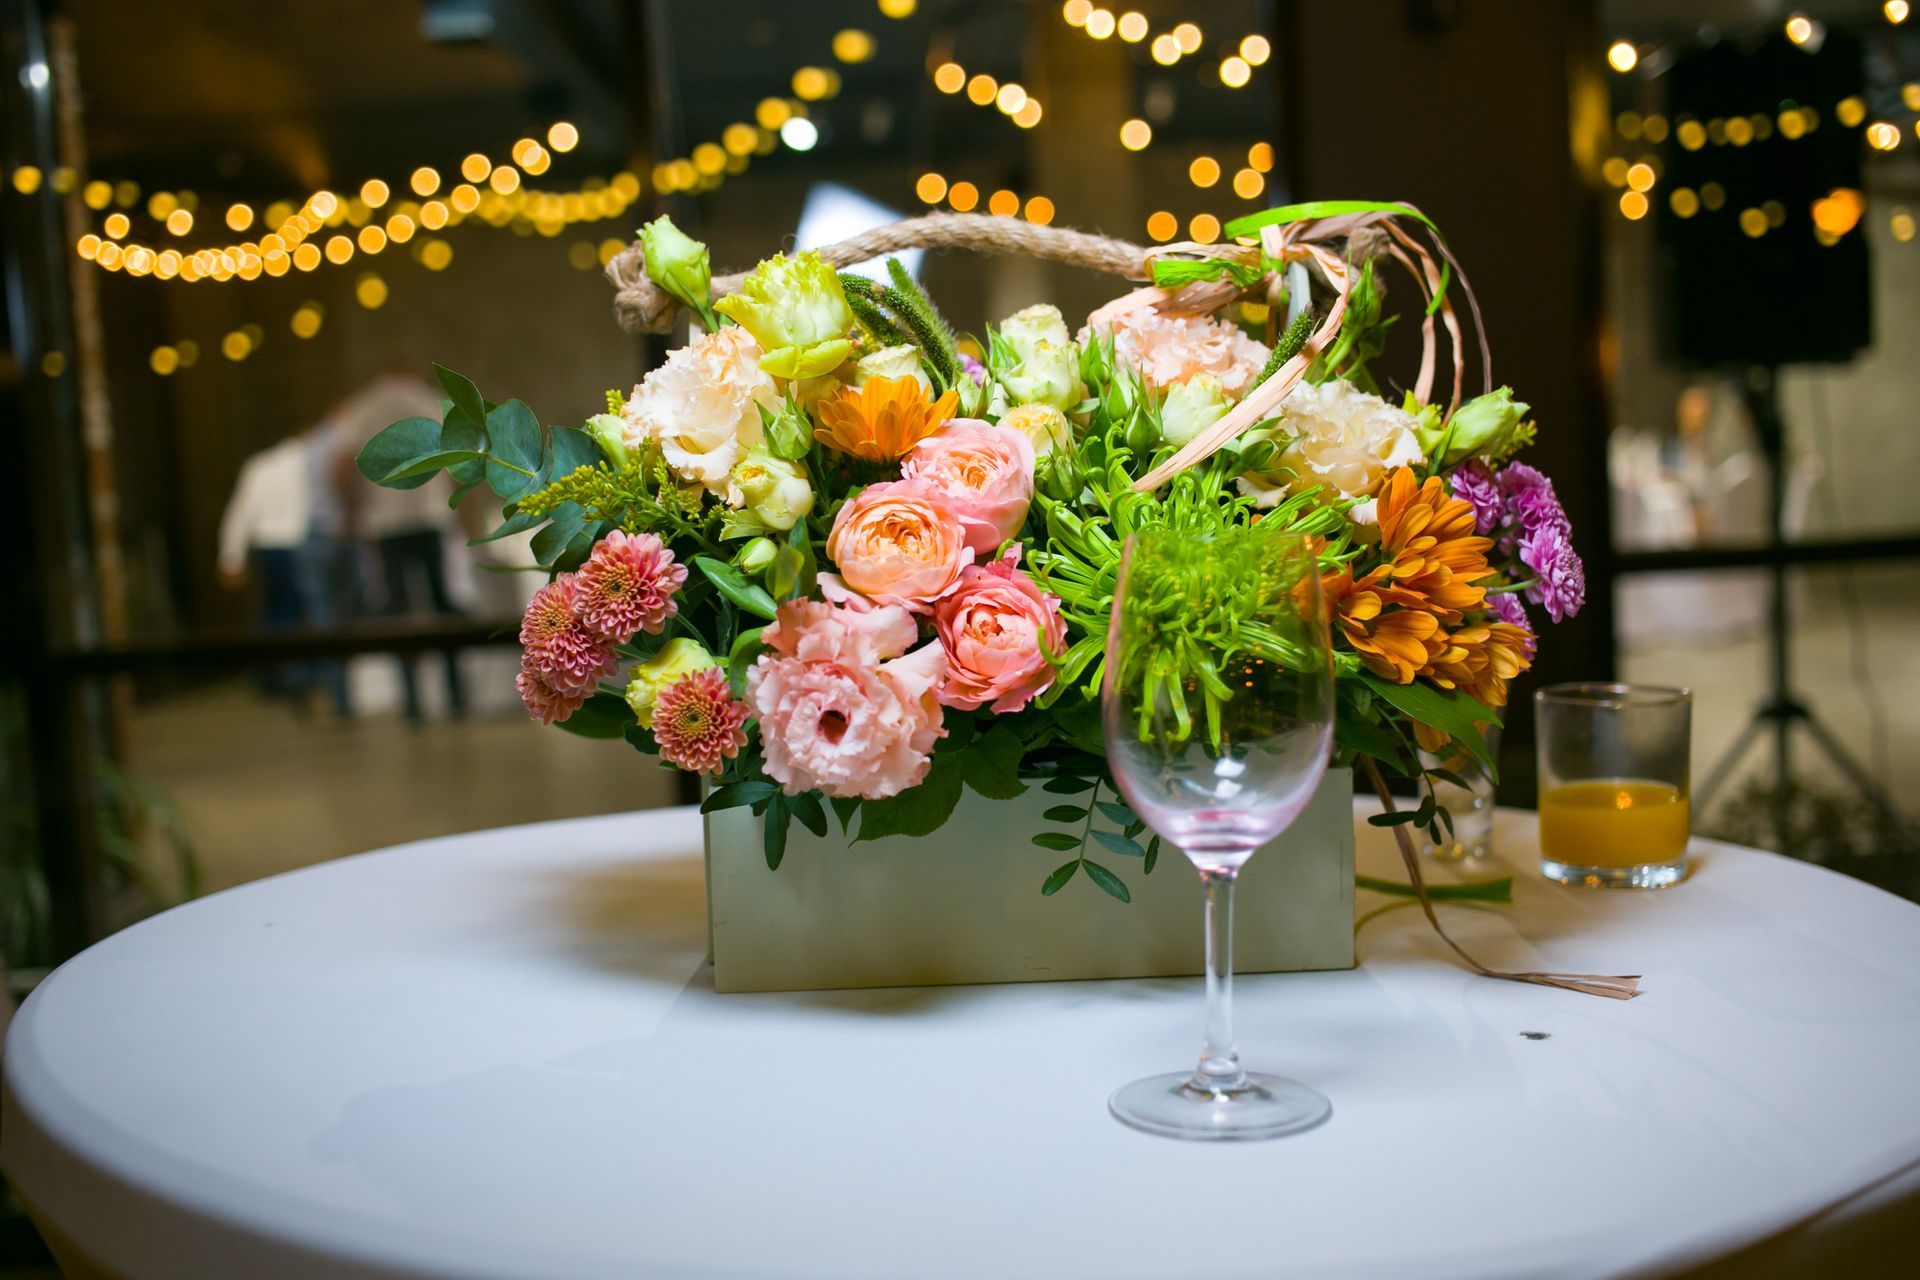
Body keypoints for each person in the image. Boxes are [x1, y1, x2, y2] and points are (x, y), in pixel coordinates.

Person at [313, 370, 469, 723]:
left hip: (384, 523)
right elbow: (460, 457)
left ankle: (412, 704)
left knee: (398, 613)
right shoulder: (425, 399)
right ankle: (457, 698)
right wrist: (457, 504)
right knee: (442, 606)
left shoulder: (363, 405)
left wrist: (351, 509)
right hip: (429, 515)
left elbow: (338, 464)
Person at [217, 431, 351, 712]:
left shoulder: (260, 465)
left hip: (269, 547)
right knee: (311, 613)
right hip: (300, 542)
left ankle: (278, 677)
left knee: (278, 613)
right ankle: (305, 677)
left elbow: (241, 512)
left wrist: (231, 557)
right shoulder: (306, 463)